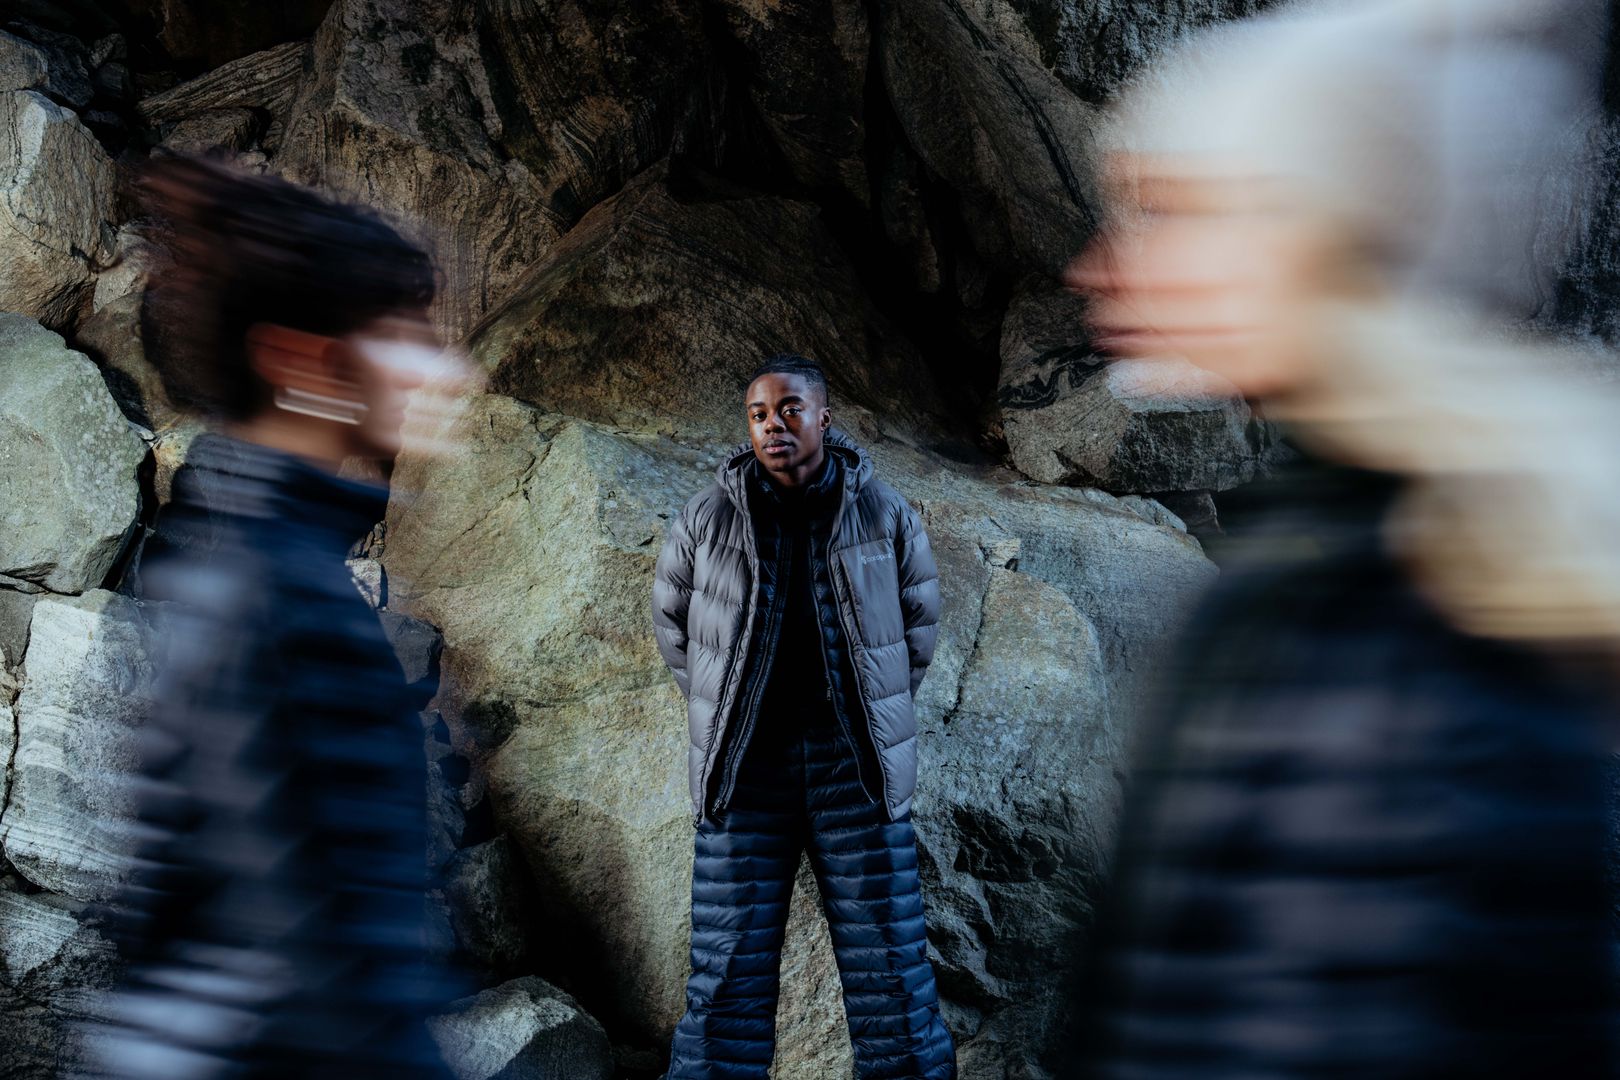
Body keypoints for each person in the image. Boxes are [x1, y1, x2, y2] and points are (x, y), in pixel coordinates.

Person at [1069, 1, 1620, 1076]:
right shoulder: (1342, 553)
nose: (1103, 265)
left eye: (1179, 207)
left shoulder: (1418, 609)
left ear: (1324, 239)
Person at [78, 157, 464, 1079]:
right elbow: (319, 971)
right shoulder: (293, 605)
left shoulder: (230, 571)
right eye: (398, 342)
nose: (437, 372)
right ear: (299, 361)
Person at [651, 354, 957, 1080]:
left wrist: (872, 713)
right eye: (759, 414)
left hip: (856, 774)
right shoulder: (706, 516)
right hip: (745, 773)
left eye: (790, 409)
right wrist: (725, 712)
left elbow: (917, 631)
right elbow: (673, 628)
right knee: (726, 972)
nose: (773, 426)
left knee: (891, 969)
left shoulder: (884, 514)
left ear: (824, 417)